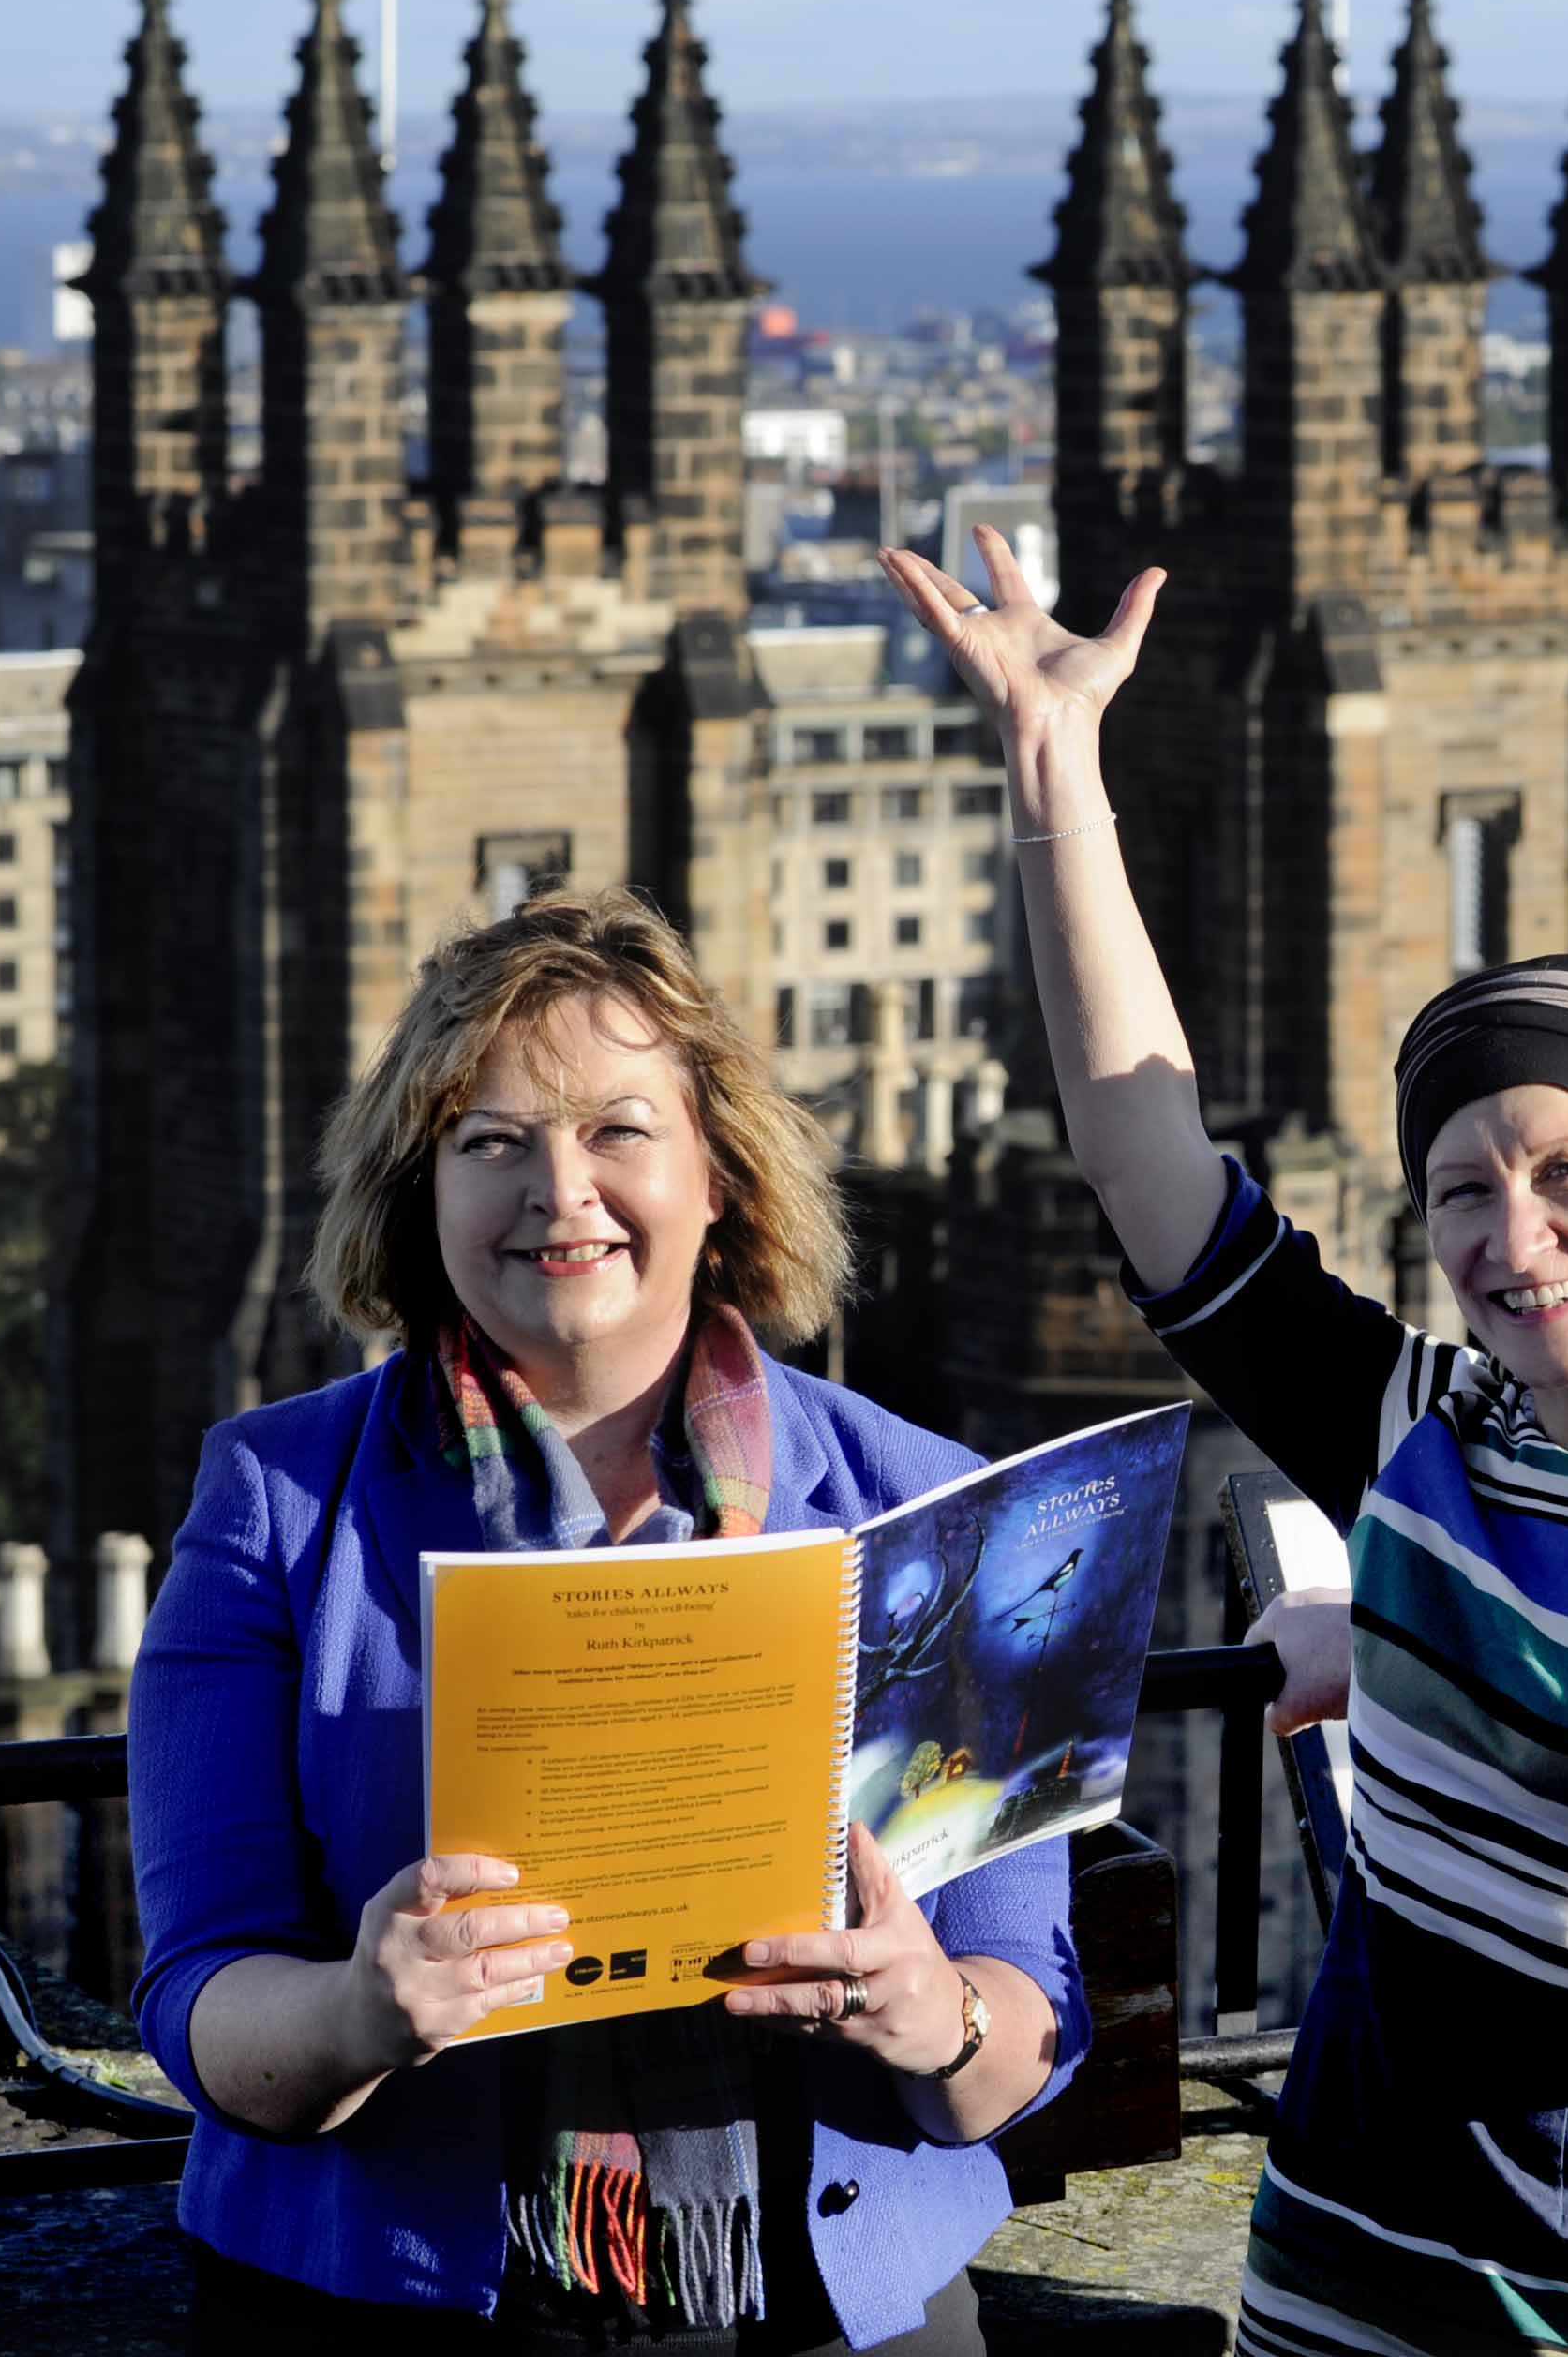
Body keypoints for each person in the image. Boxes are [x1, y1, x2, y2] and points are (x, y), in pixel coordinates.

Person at [885, 528, 1568, 2357]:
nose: (1510, 1232)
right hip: (1337, 2263)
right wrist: (1055, 769)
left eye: (1565, 1171)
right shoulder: (1415, 1438)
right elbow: (1151, 1163)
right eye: (1461, 1186)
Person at [129, 888, 1086, 2352]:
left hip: (837, 2310)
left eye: (617, 1131)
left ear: (720, 1175)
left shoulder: (924, 1501)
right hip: (384, 2305)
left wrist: (926, 2012)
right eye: (491, 1143)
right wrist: (355, 2016)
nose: (558, 1192)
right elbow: (200, 1991)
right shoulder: (276, 1498)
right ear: (419, 1195)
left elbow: (1022, 2032)